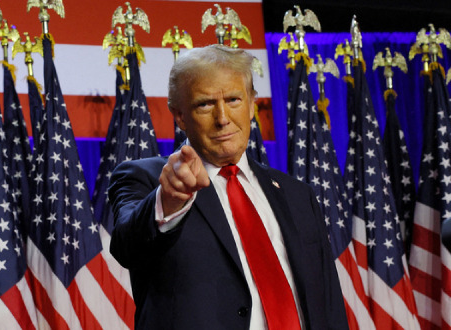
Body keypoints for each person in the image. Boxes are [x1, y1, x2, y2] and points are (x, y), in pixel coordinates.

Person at [109, 44, 348, 329]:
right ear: (180, 115)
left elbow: (328, 303)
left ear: (251, 104)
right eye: (205, 104)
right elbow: (127, 247)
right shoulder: (147, 179)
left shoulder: (298, 195)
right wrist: (170, 200)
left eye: (233, 100)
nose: (223, 119)